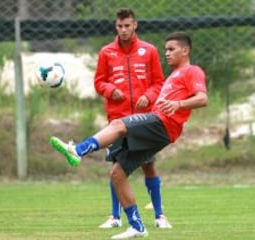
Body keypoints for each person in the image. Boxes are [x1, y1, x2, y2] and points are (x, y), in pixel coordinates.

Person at [50, 31, 208, 239]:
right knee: (117, 173)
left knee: (118, 125)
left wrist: (178, 104)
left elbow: (202, 98)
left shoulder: (192, 71)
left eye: (171, 49)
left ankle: (77, 151)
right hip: (160, 127)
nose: (166, 53)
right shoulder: (173, 76)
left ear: (185, 50)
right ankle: (137, 226)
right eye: (166, 49)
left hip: (163, 124)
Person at [93, 8, 172, 230]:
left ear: (135, 25)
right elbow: (99, 82)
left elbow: (159, 83)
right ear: (115, 27)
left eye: (127, 25)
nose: (124, 30)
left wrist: (148, 96)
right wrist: (110, 90)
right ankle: (115, 217)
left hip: (143, 121)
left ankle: (159, 215)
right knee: (117, 168)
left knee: (149, 166)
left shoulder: (149, 51)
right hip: (117, 121)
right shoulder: (106, 52)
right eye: (120, 26)